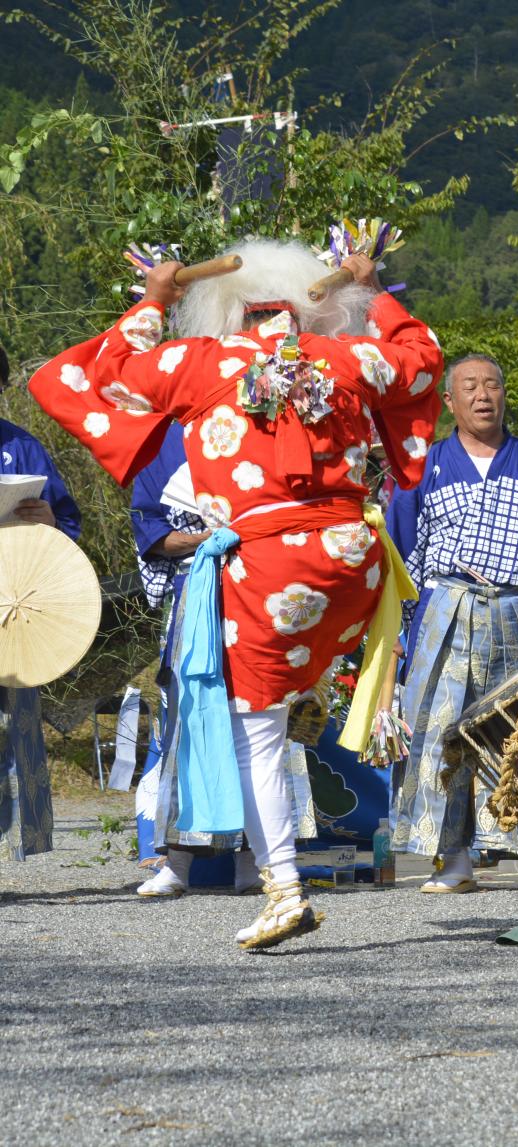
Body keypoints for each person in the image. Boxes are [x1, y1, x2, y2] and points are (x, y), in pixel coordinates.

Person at [29, 238, 443, 949]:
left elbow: (77, 378)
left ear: (227, 305)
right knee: (291, 678)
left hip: (272, 566)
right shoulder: (343, 358)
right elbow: (421, 359)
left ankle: (282, 886)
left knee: (257, 733)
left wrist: (155, 299)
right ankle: (305, 688)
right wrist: (375, 291)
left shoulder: (202, 362)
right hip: (353, 561)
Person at [386, 353, 518, 893]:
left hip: (517, 611)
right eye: (470, 387)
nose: (483, 396)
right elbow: (399, 559)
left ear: (505, 395)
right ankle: (450, 856)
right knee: (443, 731)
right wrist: (394, 642)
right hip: (447, 610)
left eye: (492, 386)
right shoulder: (423, 467)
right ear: (449, 402)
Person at [127, 432, 252, 897]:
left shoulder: (257, 425)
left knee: (258, 721)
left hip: (254, 590)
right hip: (192, 592)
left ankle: (257, 862)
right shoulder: (158, 446)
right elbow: (153, 534)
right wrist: (207, 540)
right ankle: (175, 863)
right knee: (185, 724)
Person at [0, 348, 81, 863]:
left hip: (14, 609)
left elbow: (70, 527)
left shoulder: (21, 447)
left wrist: (49, 520)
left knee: (11, 735)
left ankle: (10, 850)